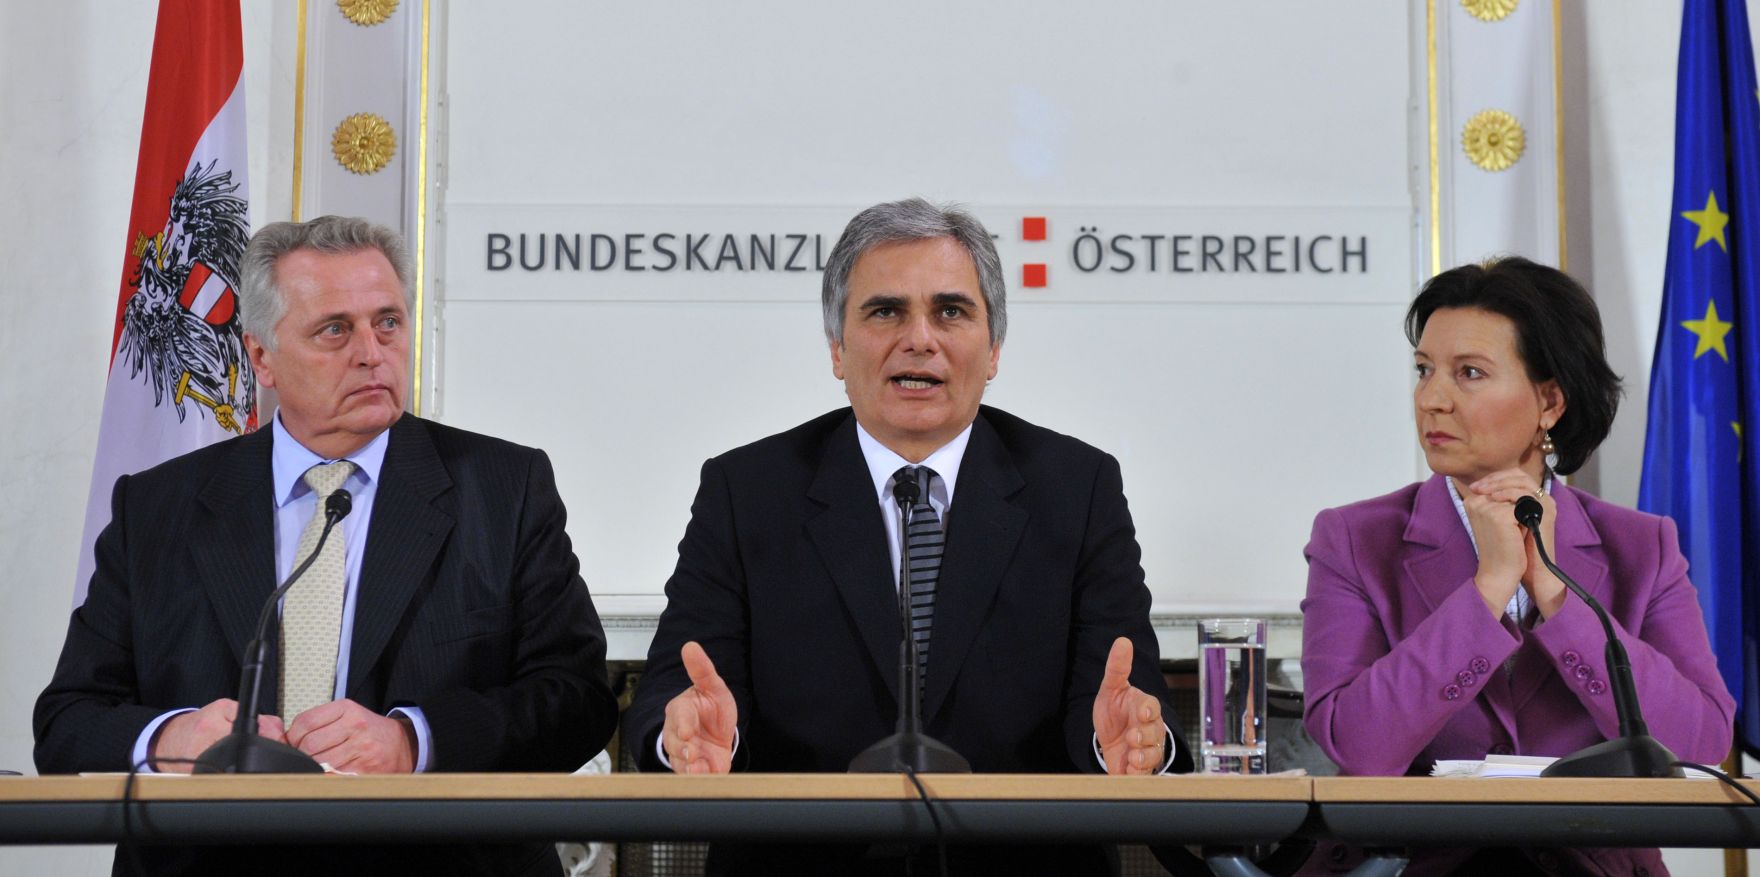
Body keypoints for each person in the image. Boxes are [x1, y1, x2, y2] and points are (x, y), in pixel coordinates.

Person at [34, 215, 618, 876]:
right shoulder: (160, 506)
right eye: (335, 329)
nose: (371, 352)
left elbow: (576, 699)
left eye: (388, 322)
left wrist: (414, 739)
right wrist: (174, 737)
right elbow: (67, 721)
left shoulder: (503, 489)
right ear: (262, 357)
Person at [622, 197, 1191, 875]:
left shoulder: (1077, 487)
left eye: (951, 310)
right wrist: (684, 736)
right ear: (837, 348)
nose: (920, 338)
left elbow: (1122, 702)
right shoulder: (747, 491)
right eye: (885, 310)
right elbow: (669, 693)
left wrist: (1123, 746)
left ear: (995, 348)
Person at [1300, 257, 1735, 876]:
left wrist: (1557, 596)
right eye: (1424, 371)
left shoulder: (1643, 546)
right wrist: (1487, 591)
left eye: (1469, 373)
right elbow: (1358, 744)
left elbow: (1699, 744)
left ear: (1550, 401)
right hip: (1411, 864)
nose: (1432, 399)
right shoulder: (1353, 539)